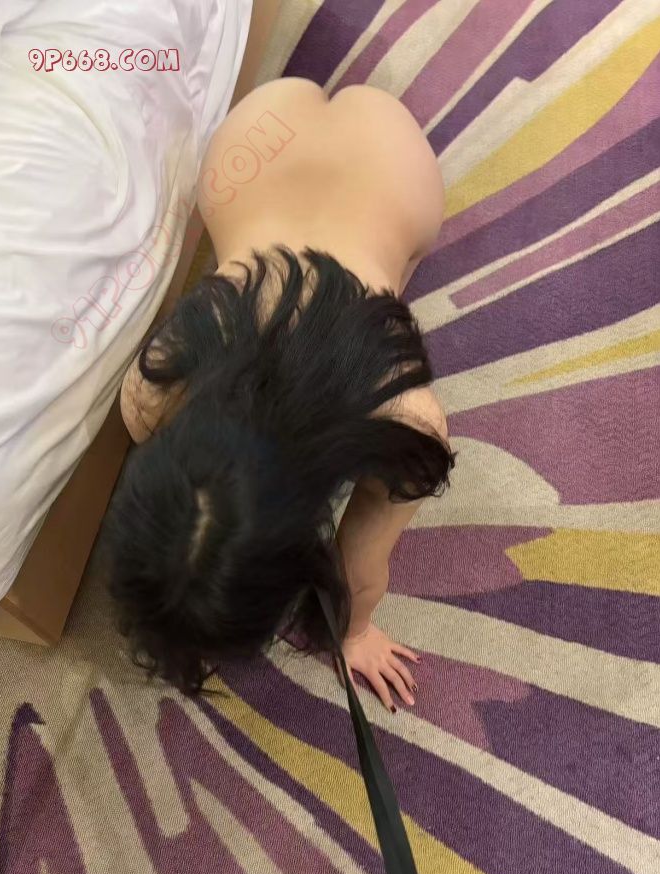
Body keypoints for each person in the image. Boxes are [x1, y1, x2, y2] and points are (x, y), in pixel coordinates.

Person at [109, 77, 455, 713]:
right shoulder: (157, 379)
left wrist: (353, 632)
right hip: (267, 136)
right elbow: (359, 563)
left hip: (381, 158)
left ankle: (380, 264)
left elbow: (360, 573)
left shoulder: (406, 418)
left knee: (389, 268)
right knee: (347, 262)